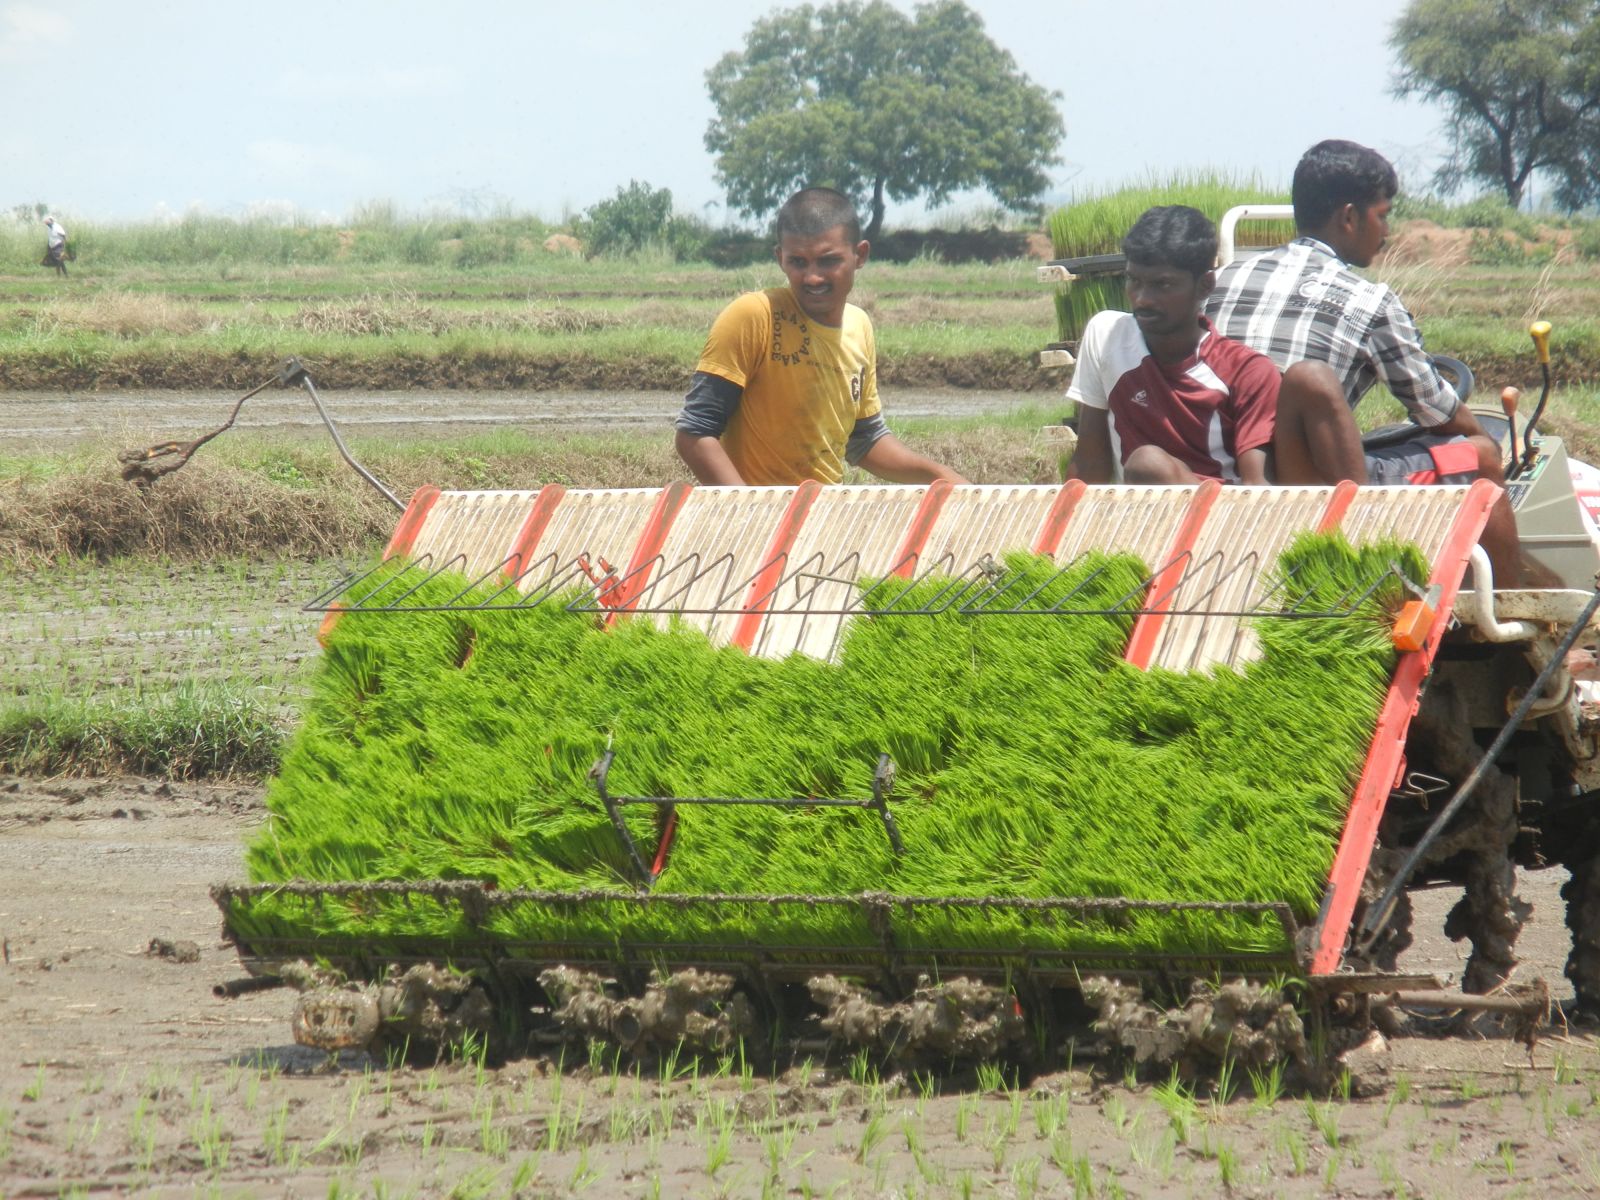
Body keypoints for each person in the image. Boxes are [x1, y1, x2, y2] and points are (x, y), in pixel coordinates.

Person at [1206, 139, 1527, 583]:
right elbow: (1434, 408)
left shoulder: (1221, 280)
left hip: (1226, 468)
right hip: (1305, 485)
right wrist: (1476, 433)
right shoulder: (1367, 302)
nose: (1387, 231)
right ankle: (1514, 614)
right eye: (1383, 214)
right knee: (1481, 457)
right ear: (1350, 216)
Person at [675, 187, 965, 487]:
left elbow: (864, 439)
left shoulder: (859, 325)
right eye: (798, 262)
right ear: (780, 258)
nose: (813, 277)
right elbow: (694, 432)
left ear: (860, 255)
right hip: (757, 519)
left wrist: (940, 475)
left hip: (820, 514)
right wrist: (751, 508)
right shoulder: (755, 315)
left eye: (828, 261)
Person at [1066, 205, 1279, 485]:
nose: (1142, 299)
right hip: (1135, 514)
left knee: (1149, 465)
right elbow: (1089, 464)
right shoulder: (1107, 335)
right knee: (1147, 466)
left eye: (1162, 285)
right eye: (1133, 280)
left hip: (1220, 520)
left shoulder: (1248, 372)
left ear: (1204, 285)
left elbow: (1257, 493)